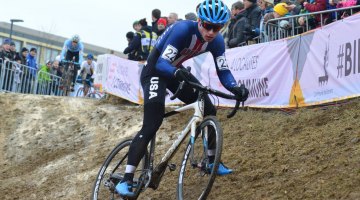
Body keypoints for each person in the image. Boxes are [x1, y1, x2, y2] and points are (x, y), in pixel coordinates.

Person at [115, 0, 249, 197]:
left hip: (174, 71)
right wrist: (176, 73)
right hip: (155, 71)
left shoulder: (217, 42)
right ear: (200, 21)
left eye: (217, 28)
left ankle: (211, 161)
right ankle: (126, 179)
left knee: (208, 108)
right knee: (153, 123)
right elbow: (161, 63)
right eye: (208, 26)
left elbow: (224, 70)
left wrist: (236, 87)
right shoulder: (182, 30)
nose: (212, 32)